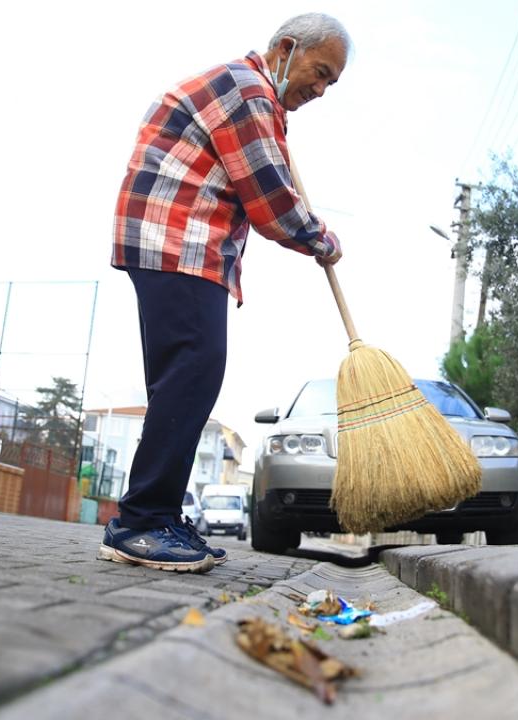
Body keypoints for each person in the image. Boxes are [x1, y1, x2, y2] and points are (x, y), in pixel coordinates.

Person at [98, 13, 350, 573]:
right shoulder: (247, 90)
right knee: (193, 373)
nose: (321, 89)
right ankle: (141, 522)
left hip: (175, 243)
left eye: (331, 82)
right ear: (286, 48)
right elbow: (271, 200)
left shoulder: (255, 96)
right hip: (177, 239)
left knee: (183, 380)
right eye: (320, 72)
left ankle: (157, 516)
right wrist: (322, 240)